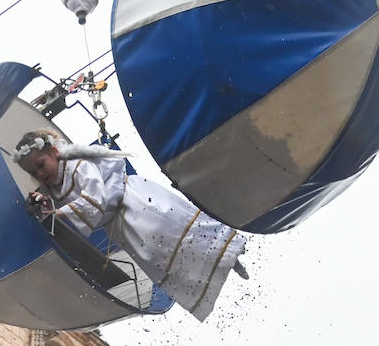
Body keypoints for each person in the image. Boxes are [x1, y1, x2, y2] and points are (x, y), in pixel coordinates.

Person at [14, 130, 248, 322]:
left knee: (175, 232)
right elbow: (56, 206)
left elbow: (93, 199)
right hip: (121, 227)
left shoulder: (78, 165)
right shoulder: (53, 186)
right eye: (33, 172)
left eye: (41, 165)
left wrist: (58, 213)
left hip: (135, 203)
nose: (39, 173)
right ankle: (212, 268)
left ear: (54, 152)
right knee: (160, 256)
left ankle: (228, 251)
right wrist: (45, 206)